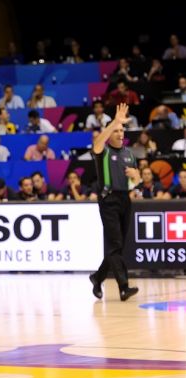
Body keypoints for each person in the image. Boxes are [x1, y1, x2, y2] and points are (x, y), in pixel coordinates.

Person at [90, 103, 139, 302]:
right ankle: (123, 287)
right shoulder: (103, 152)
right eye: (116, 130)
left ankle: (97, 277)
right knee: (116, 244)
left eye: (121, 130)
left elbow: (135, 182)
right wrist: (114, 122)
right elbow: (96, 143)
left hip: (125, 200)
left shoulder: (129, 154)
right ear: (110, 133)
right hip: (108, 200)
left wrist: (137, 178)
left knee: (116, 247)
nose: (120, 133)